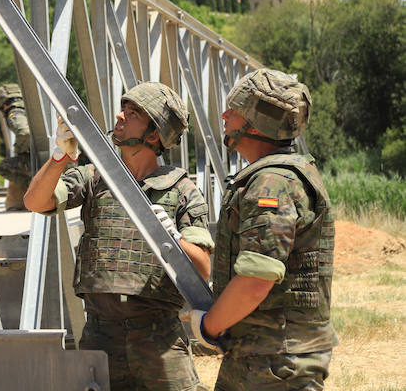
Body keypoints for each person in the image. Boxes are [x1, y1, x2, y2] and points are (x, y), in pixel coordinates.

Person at [24, 81, 213, 391]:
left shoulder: (182, 190)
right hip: (101, 332)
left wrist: (174, 239)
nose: (120, 116)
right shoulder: (95, 178)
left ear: (154, 134)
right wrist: (59, 157)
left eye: (133, 112)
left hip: (158, 336)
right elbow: (35, 202)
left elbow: (203, 268)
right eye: (123, 109)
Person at [183, 68, 336, 390]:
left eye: (235, 110)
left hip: (274, 360)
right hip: (266, 355)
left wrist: (210, 326)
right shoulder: (279, 176)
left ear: (256, 124)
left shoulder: (272, 183)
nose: (224, 115)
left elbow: (257, 279)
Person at [0, 83, 31, 210]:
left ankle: (36, 188)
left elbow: (25, 133)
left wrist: (21, 150)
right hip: (64, 158)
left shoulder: (15, 113)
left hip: (44, 161)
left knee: (4, 167)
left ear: (4, 105)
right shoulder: (31, 107)